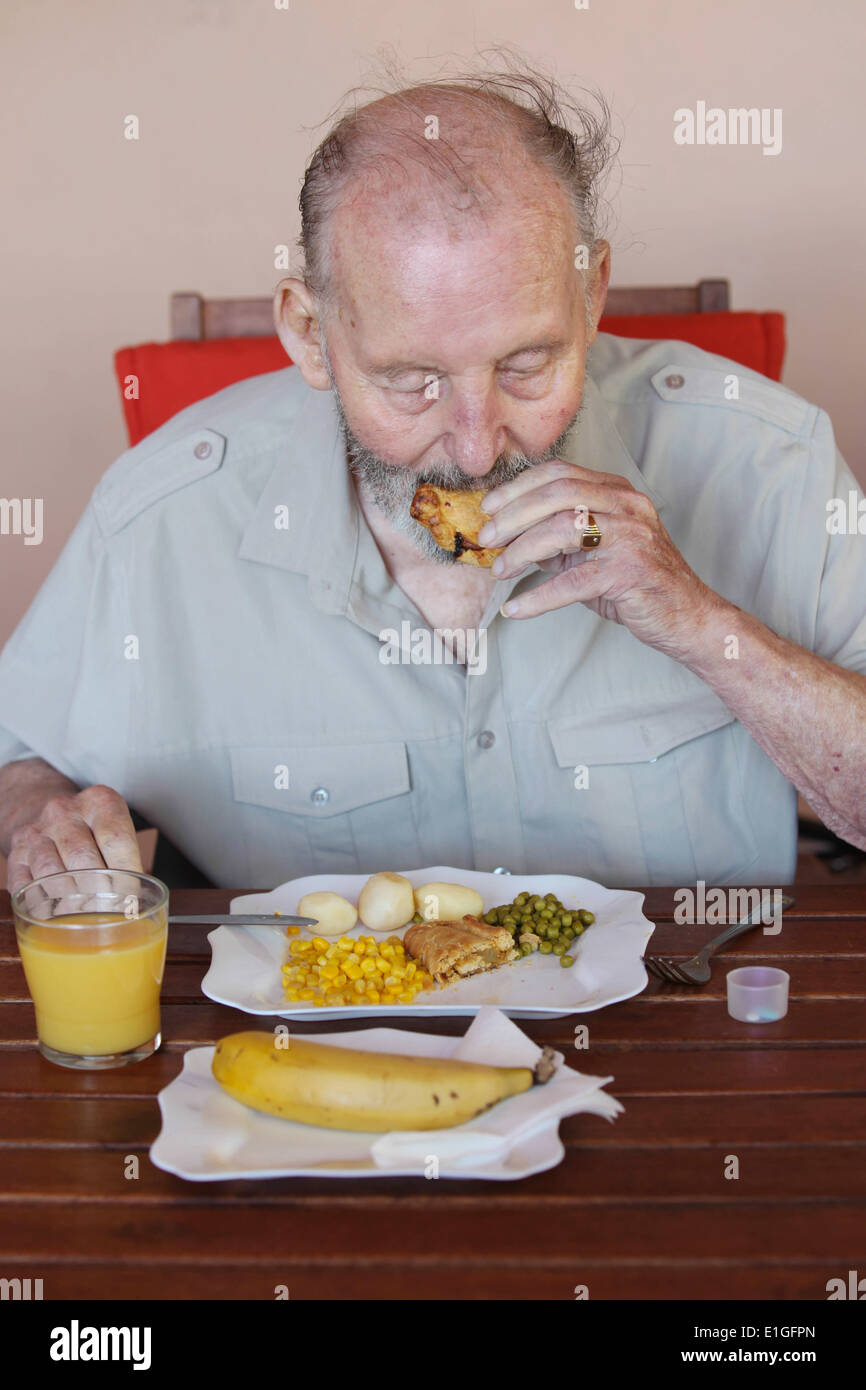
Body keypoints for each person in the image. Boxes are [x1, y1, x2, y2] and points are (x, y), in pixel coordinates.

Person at [1, 63, 865, 896]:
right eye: (412, 381)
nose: (478, 448)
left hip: (688, 1032)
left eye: (527, 365)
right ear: (309, 333)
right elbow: (18, 760)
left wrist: (705, 625)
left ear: (592, 294)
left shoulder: (770, 460)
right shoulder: (160, 516)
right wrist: (44, 824)